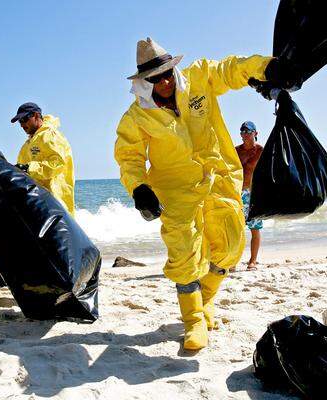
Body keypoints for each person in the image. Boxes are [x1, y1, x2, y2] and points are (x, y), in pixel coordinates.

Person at [115, 37, 279, 350]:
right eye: (155, 78)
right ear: (144, 82)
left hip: (218, 178)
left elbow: (232, 69)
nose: (164, 81)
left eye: (167, 73)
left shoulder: (200, 79)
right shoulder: (137, 117)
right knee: (184, 255)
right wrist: (139, 188)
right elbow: (129, 156)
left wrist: (267, 66)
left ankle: (206, 300)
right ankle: (193, 321)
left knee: (231, 245)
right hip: (175, 190)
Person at [11, 102, 75, 215]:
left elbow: (58, 163)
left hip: (54, 203)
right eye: (20, 121)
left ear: (36, 115)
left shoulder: (50, 135)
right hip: (39, 203)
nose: (22, 125)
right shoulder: (28, 144)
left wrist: (28, 168)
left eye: (24, 119)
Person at [235, 121, 264, 271]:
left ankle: (252, 261)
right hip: (236, 193)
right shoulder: (235, 151)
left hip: (253, 194)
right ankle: (232, 261)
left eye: (248, 131)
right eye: (242, 131)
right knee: (236, 229)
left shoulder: (261, 151)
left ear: (255, 133)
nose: (245, 134)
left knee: (254, 228)